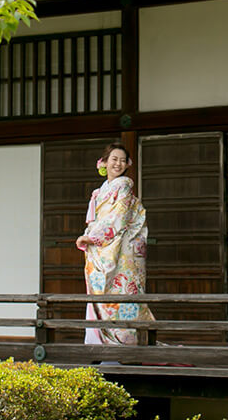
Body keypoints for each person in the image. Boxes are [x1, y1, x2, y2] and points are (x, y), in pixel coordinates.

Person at [75, 142, 155, 345]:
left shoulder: (125, 186)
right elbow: (94, 221)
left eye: (122, 160)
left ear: (127, 164)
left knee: (124, 293)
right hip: (104, 249)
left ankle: (127, 344)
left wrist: (93, 238)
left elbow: (118, 218)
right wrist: (89, 234)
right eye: (113, 159)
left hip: (122, 253)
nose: (118, 164)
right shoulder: (98, 192)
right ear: (103, 163)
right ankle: (101, 343)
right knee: (102, 294)